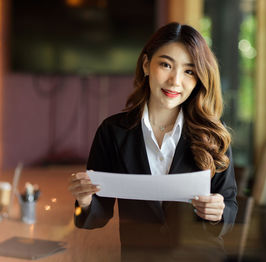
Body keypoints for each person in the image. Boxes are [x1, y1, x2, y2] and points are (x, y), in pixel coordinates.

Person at [68, 22, 238, 260]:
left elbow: (230, 206)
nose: (175, 80)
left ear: (199, 77)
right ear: (147, 64)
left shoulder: (213, 136)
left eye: (189, 71)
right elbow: (97, 216)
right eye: (166, 65)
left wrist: (219, 211)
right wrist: (84, 201)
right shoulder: (113, 132)